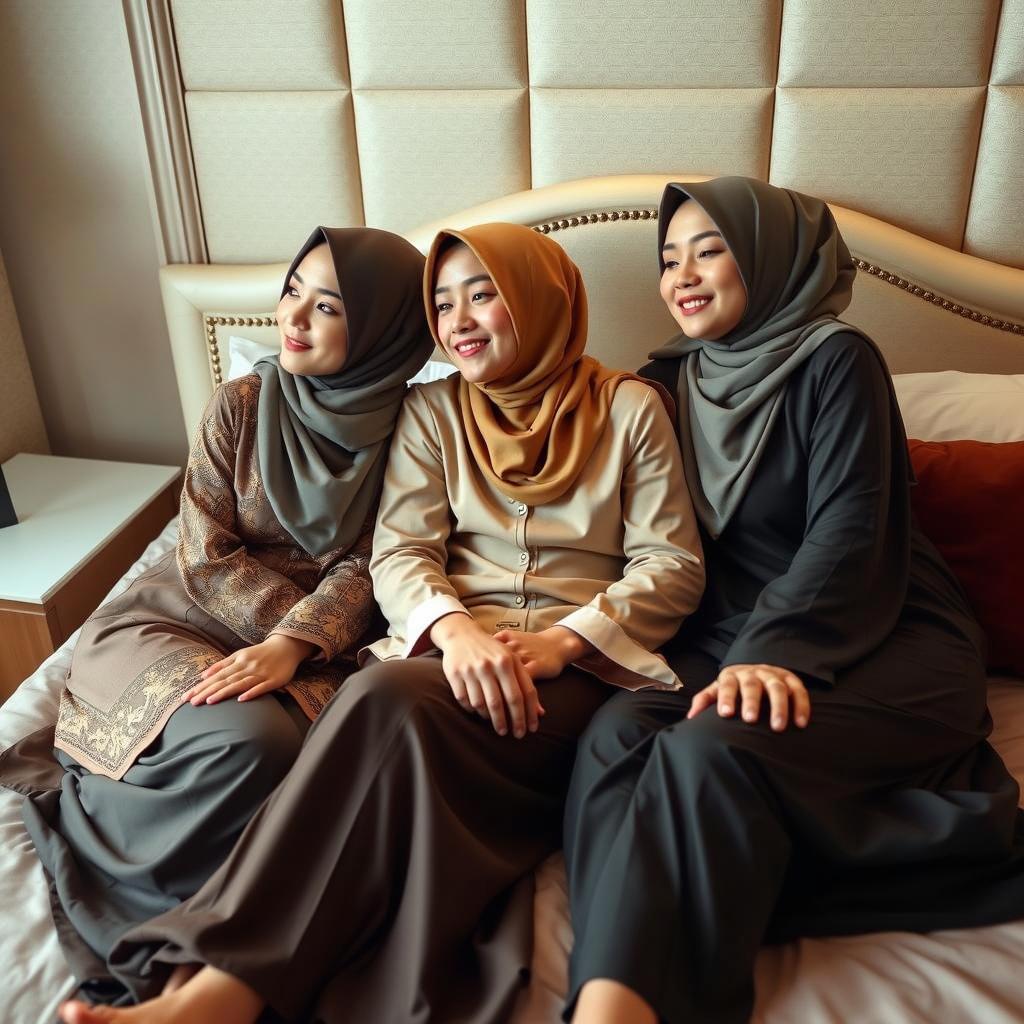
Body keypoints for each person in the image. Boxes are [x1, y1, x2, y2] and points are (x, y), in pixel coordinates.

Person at [55, 221, 705, 1024]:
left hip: (574, 672)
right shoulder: (431, 412)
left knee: (375, 705)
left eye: (484, 295)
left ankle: (224, 990)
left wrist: (561, 641)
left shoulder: (633, 408)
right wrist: (456, 630)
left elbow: (672, 565)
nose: (459, 318)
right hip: (444, 658)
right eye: (442, 302)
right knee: (378, 701)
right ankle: (218, 987)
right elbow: (401, 553)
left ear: (542, 301)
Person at [563, 176, 1024, 1024]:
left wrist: (771, 652)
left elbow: (850, 533)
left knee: (710, 752)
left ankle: (623, 1006)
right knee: (615, 740)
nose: (683, 276)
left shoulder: (836, 359)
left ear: (771, 258)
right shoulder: (663, 381)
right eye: (669, 259)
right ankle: (610, 981)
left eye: (711, 251)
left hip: (884, 626)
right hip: (731, 629)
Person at [0, 225, 434, 1004]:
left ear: (382, 329)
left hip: (311, 646)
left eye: (327, 305)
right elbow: (202, 550)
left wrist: (296, 645)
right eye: (291, 291)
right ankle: (130, 881)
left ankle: (215, 951)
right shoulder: (241, 402)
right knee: (248, 740)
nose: (293, 317)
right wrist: (282, 636)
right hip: (175, 617)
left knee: (287, 752)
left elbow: (373, 564)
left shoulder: (415, 434)